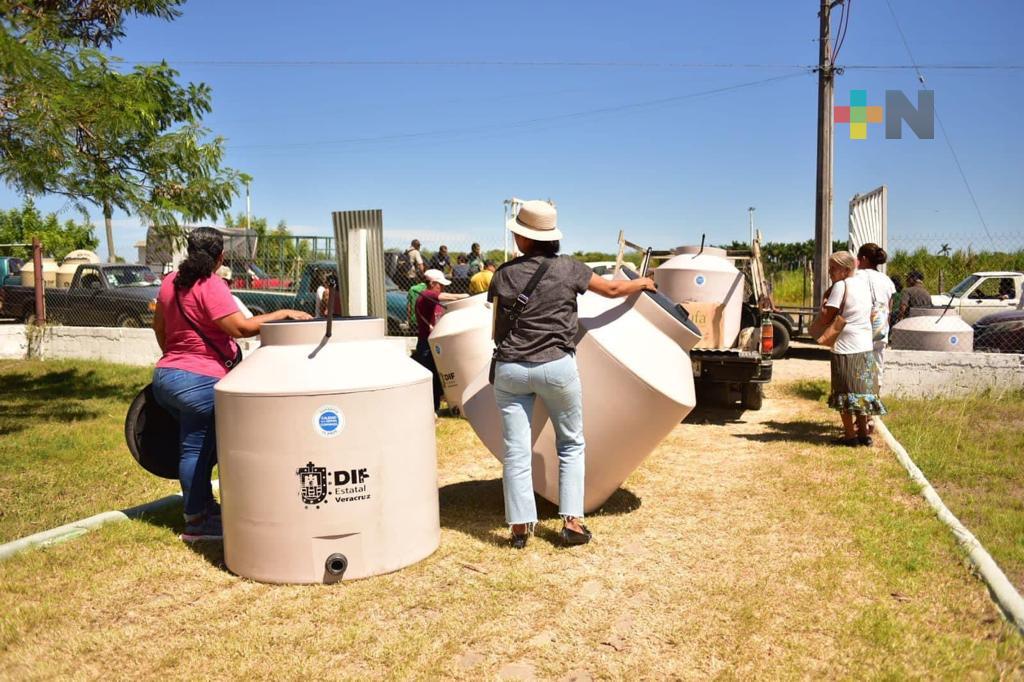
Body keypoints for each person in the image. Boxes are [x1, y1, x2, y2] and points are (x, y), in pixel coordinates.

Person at [489, 200, 657, 549]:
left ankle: (520, 528)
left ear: (523, 239)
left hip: (511, 369)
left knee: (516, 450)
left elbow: (496, 325)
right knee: (570, 443)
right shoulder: (569, 269)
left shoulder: (503, 274)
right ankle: (572, 525)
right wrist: (641, 283)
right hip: (556, 367)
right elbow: (611, 290)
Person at [151, 228, 311, 542]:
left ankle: (203, 507)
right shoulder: (209, 284)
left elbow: (160, 325)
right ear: (220, 256)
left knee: (194, 445)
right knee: (197, 448)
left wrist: (174, 358)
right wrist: (283, 313)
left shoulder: (170, 281)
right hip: (199, 380)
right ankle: (196, 519)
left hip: (166, 376)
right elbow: (240, 328)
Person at [818, 251, 885, 447]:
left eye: (833, 268)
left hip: (845, 347)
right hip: (864, 346)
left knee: (844, 393)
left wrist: (824, 300)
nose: (830, 272)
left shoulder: (840, 286)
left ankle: (850, 436)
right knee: (861, 393)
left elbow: (825, 318)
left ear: (846, 270)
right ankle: (864, 434)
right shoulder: (863, 286)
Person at [413, 268, 467, 413]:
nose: (442, 287)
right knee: (431, 376)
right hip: (426, 344)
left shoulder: (432, 299)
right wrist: (464, 296)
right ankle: (430, 409)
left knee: (438, 376)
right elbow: (444, 296)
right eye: (439, 284)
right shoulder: (426, 295)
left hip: (435, 343)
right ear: (431, 283)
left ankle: (435, 407)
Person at [855, 243, 896, 387]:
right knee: (878, 355)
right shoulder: (887, 280)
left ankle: (861, 389)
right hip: (881, 322)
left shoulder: (856, 276)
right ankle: (876, 388)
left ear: (864, 258)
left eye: (858, 257)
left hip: (862, 322)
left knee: (860, 355)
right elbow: (890, 306)